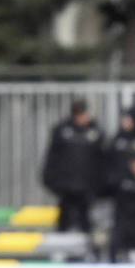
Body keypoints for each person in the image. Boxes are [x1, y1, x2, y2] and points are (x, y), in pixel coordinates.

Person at [42, 99, 107, 237]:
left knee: (86, 221)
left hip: (87, 187)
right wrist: (51, 179)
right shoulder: (62, 130)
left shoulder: (94, 131)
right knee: (64, 220)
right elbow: (53, 156)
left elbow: (101, 159)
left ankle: (88, 251)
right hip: (66, 186)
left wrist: (100, 184)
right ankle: (61, 249)